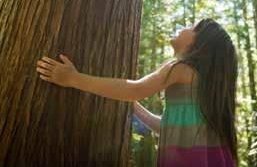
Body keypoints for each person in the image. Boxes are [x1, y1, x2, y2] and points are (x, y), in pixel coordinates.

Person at [36, 18, 238, 166]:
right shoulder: (200, 87)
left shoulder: (181, 68)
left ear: (201, 44)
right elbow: (170, 127)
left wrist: (73, 78)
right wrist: (136, 109)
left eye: (192, 27)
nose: (182, 26)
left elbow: (134, 89)